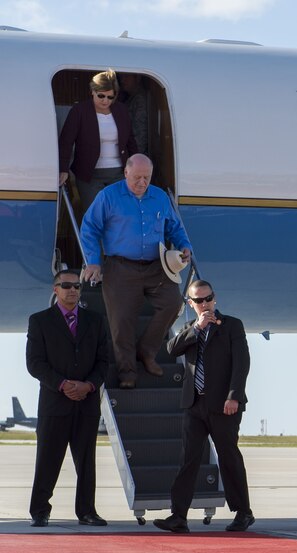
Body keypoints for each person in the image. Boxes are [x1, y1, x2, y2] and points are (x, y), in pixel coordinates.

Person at [79, 154, 192, 389]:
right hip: (120, 267)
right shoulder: (108, 197)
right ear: (126, 173)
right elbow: (90, 228)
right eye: (137, 177)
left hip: (156, 266)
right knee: (122, 322)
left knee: (173, 303)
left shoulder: (159, 197)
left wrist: (184, 246)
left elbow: (175, 227)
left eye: (147, 177)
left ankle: (147, 351)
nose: (142, 182)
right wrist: (93, 261)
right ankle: (127, 372)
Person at [153, 280, 254, 534]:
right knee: (188, 459)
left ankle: (243, 512)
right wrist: (196, 329)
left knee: (228, 457)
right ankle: (179, 515)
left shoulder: (231, 326)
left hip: (224, 405)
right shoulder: (190, 328)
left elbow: (241, 364)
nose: (205, 304)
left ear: (214, 298)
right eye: (198, 301)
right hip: (194, 404)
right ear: (191, 304)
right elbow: (169, 349)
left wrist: (234, 396)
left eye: (208, 299)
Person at [26, 270, 111, 527]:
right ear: (56, 289)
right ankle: (40, 510)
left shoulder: (95, 321)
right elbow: (34, 363)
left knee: (86, 462)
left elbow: (104, 361)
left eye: (76, 286)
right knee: (48, 460)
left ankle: (87, 511)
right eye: (66, 285)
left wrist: (88, 385)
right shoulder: (40, 321)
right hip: (55, 402)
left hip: (86, 403)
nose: (72, 290)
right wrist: (63, 385)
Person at [58, 69, 138, 218]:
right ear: (92, 91)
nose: (105, 101)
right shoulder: (79, 111)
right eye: (101, 96)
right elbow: (66, 141)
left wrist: (137, 167)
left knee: (119, 216)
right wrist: (63, 169)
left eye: (110, 97)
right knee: (95, 217)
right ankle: (90, 242)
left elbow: (130, 141)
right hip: (89, 175)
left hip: (119, 173)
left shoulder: (121, 110)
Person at [119, 73, 149, 156]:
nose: (122, 80)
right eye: (121, 77)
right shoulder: (131, 99)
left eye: (126, 76)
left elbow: (140, 135)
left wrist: (134, 157)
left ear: (138, 78)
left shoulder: (140, 100)